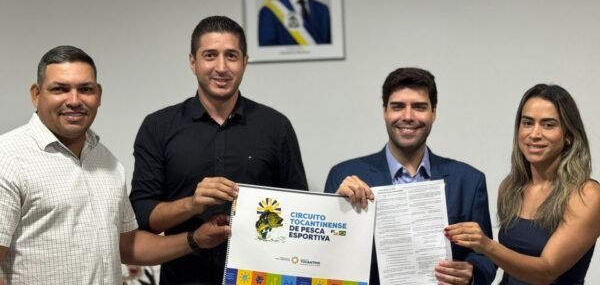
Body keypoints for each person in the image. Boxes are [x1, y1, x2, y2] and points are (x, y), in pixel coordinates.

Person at [0, 46, 231, 285]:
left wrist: (196, 239)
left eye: (85, 89)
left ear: (98, 95)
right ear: (36, 94)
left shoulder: (107, 162)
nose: (74, 100)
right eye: (60, 89)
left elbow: (128, 246)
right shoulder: (7, 158)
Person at [130, 15, 308, 284]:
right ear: (193, 62)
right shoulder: (158, 127)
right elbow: (143, 215)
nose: (221, 67)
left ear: (245, 62)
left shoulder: (276, 126)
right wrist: (192, 205)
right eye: (210, 55)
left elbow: (299, 210)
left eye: (231, 56)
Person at [324, 67, 497, 285]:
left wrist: (471, 274)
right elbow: (326, 255)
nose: (408, 116)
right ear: (384, 112)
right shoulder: (344, 176)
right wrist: (337, 208)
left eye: (419, 107)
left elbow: (487, 257)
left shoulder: (469, 181)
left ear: (434, 113)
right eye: (398, 107)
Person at [446, 84, 600, 284]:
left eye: (548, 125)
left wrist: (487, 246)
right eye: (527, 123)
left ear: (569, 135)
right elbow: (509, 268)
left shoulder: (587, 195)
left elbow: (546, 271)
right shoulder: (510, 188)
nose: (534, 134)